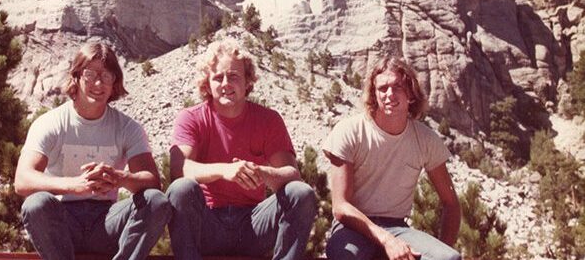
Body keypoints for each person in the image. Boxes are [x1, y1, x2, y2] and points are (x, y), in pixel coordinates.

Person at [14, 41, 170, 260]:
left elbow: (153, 182)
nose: (98, 83)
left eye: (106, 76)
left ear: (114, 83)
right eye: (90, 74)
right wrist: (73, 185)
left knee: (156, 201)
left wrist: (120, 178)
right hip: (64, 222)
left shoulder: (127, 127)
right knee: (35, 204)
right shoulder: (50, 123)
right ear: (76, 77)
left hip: (106, 220)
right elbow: (22, 180)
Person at [167, 39, 317, 260]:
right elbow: (179, 168)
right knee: (181, 189)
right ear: (207, 84)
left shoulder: (268, 119)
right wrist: (225, 170)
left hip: (253, 225)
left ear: (248, 82)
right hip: (208, 224)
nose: (226, 83)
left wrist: (263, 173)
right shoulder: (191, 118)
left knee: (301, 194)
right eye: (218, 77)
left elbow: (292, 174)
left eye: (234, 76)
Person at [322, 57, 461, 260]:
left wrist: (441, 246)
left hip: (397, 227)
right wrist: (386, 240)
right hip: (352, 228)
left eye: (398, 87)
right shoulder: (350, 130)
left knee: (448, 258)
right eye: (383, 88)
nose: (390, 94)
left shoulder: (425, 139)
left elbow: (451, 202)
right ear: (374, 94)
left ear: (411, 93)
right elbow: (341, 206)